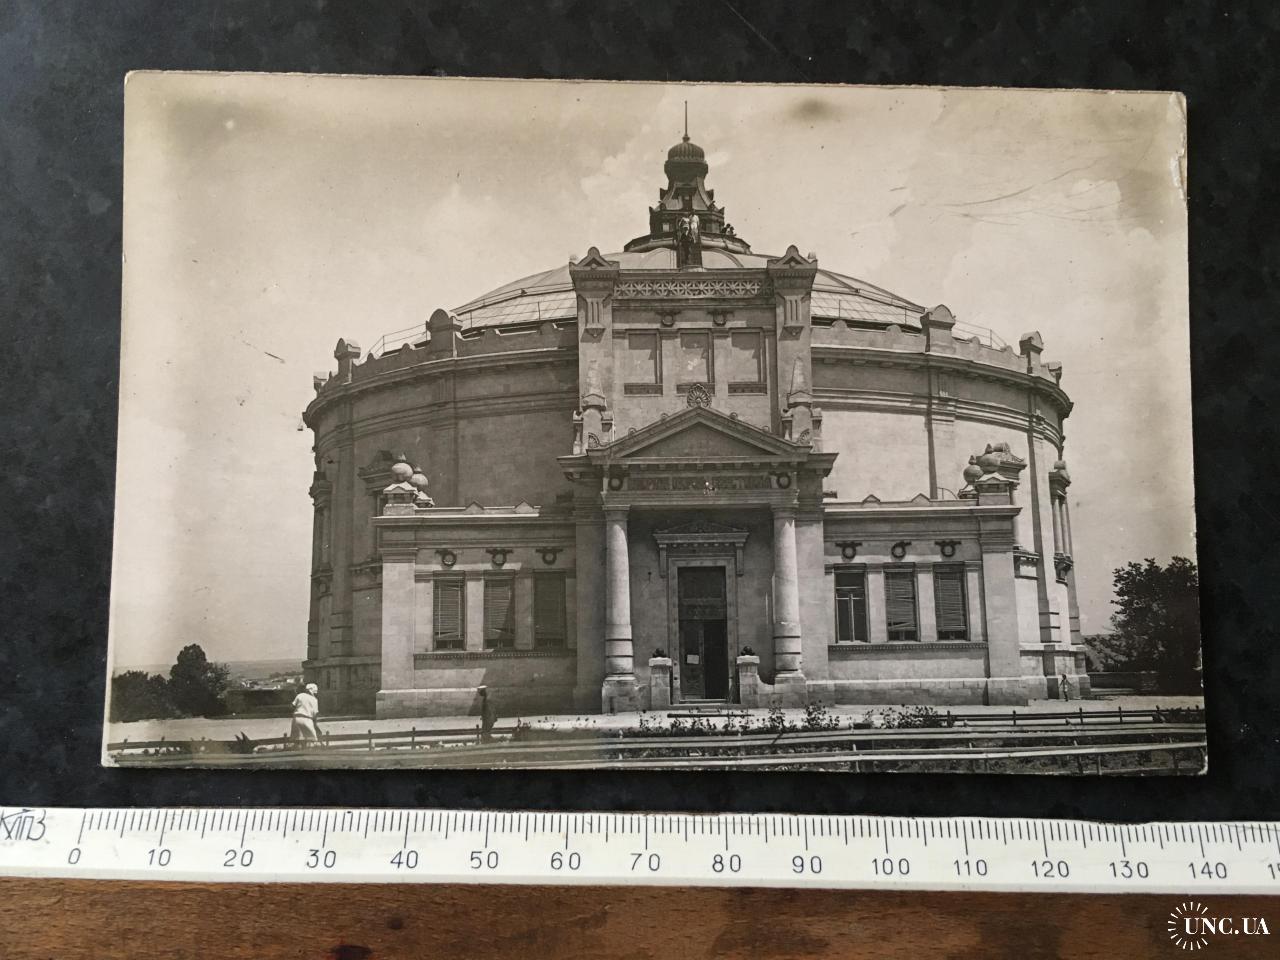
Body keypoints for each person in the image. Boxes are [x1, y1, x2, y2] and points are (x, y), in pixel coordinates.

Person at [291, 682, 322, 746]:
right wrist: (315, 725)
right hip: (307, 720)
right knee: (310, 739)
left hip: (297, 719)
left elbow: (292, 706)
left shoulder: (300, 695)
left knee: (298, 739)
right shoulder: (314, 700)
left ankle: (298, 749)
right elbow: (315, 714)